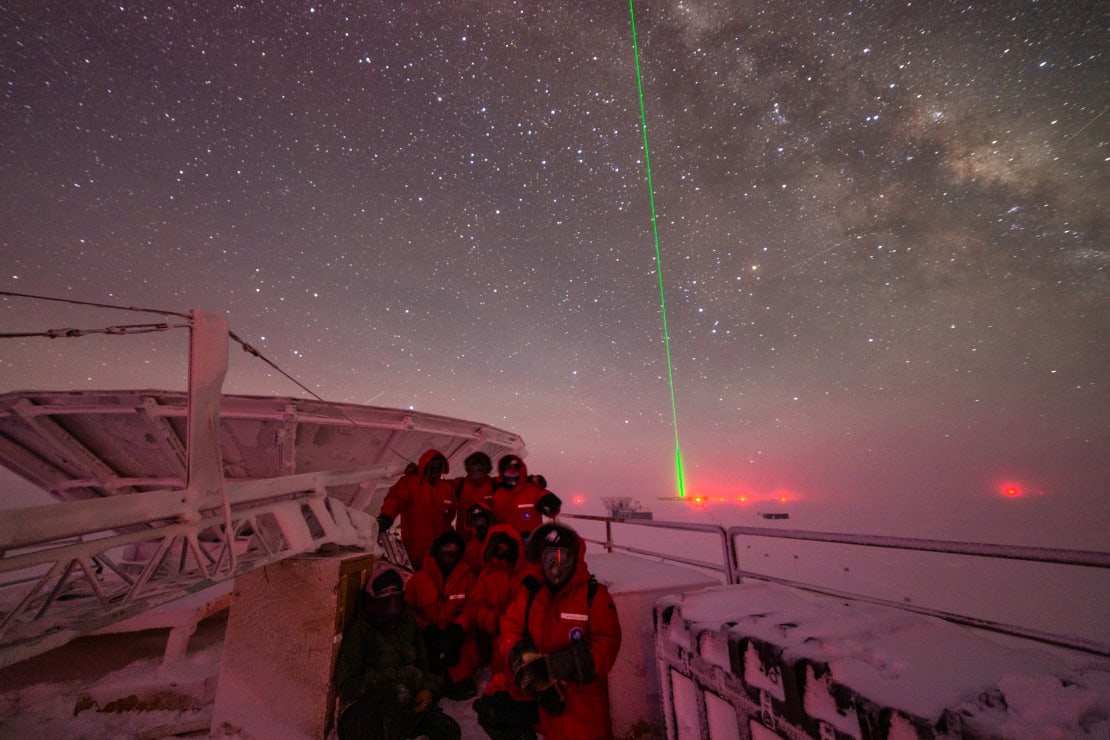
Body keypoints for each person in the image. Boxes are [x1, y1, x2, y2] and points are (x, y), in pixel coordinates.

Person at [499, 522, 621, 740]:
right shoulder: (531, 594)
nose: (556, 565)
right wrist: (524, 660)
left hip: (586, 715)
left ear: (574, 559)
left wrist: (555, 666)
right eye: (549, 557)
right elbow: (509, 628)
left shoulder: (593, 596)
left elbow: (607, 647)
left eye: (562, 557)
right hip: (547, 711)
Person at [332, 562, 461, 740]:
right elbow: (347, 684)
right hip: (363, 712)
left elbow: (423, 666)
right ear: (372, 596)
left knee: (447, 730)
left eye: (394, 591)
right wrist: (393, 678)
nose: (390, 597)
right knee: (396, 697)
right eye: (384, 592)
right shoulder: (360, 629)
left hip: (405, 707)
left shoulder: (408, 623)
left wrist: (426, 690)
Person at [404, 530, 481, 700]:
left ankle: (456, 677)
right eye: (446, 548)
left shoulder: (468, 579)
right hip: (427, 640)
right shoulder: (418, 579)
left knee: (462, 674)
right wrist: (426, 629)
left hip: (458, 640)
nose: (450, 553)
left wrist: (458, 628)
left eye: (454, 550)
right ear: (437, 549)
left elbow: (473, 607)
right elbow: (407, 610)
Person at [377, 449, 458, 570]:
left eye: (438, 467)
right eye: (432, 467)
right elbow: (395, 499)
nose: (435, 470)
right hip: (415, 551)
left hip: (440, 552)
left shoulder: (447, 488)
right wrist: (387, 516)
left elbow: (450, 515)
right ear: (424, 466)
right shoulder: (409, 483)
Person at [491, 455, 561, 543]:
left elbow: (552, 510)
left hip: (531, 545)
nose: (512, 474)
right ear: (502, 472)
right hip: (508, 547)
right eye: (508, 470)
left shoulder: (532, 490)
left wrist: (550, 502)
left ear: (520, 471)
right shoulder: (498, 495)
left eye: (515, 471)